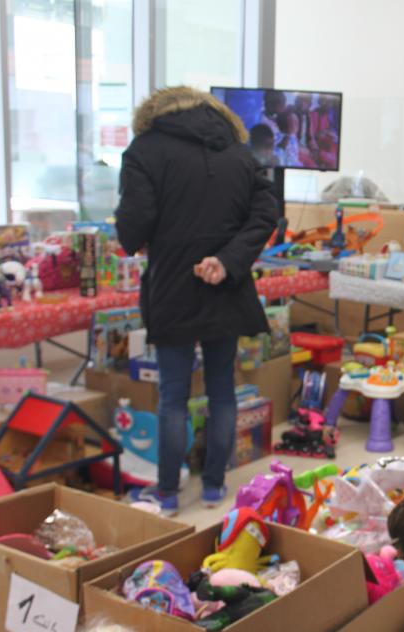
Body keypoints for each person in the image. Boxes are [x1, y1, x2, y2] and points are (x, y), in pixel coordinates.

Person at [116, 86, 277, 515]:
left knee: (173, 394)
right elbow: (266, 215)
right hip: (226, 283)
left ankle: (168, 494)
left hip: (173, 284)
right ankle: (212, 487)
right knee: (222, 389)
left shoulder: (144, 149)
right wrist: (226, 261)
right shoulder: (240, 153)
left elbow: (134, 226)